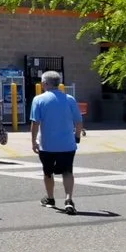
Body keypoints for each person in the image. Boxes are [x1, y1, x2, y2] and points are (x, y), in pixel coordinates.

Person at [30, 70, 85, 214]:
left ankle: (50, 198)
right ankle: (68, 199)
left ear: (45, 83)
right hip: (67, 144)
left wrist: (33, 142)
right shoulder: (70, 99)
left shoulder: (38, 100)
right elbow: (78, 121)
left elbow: (35, 123)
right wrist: (77, 137)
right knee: (68, 172)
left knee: (48, 172)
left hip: (47, 145)